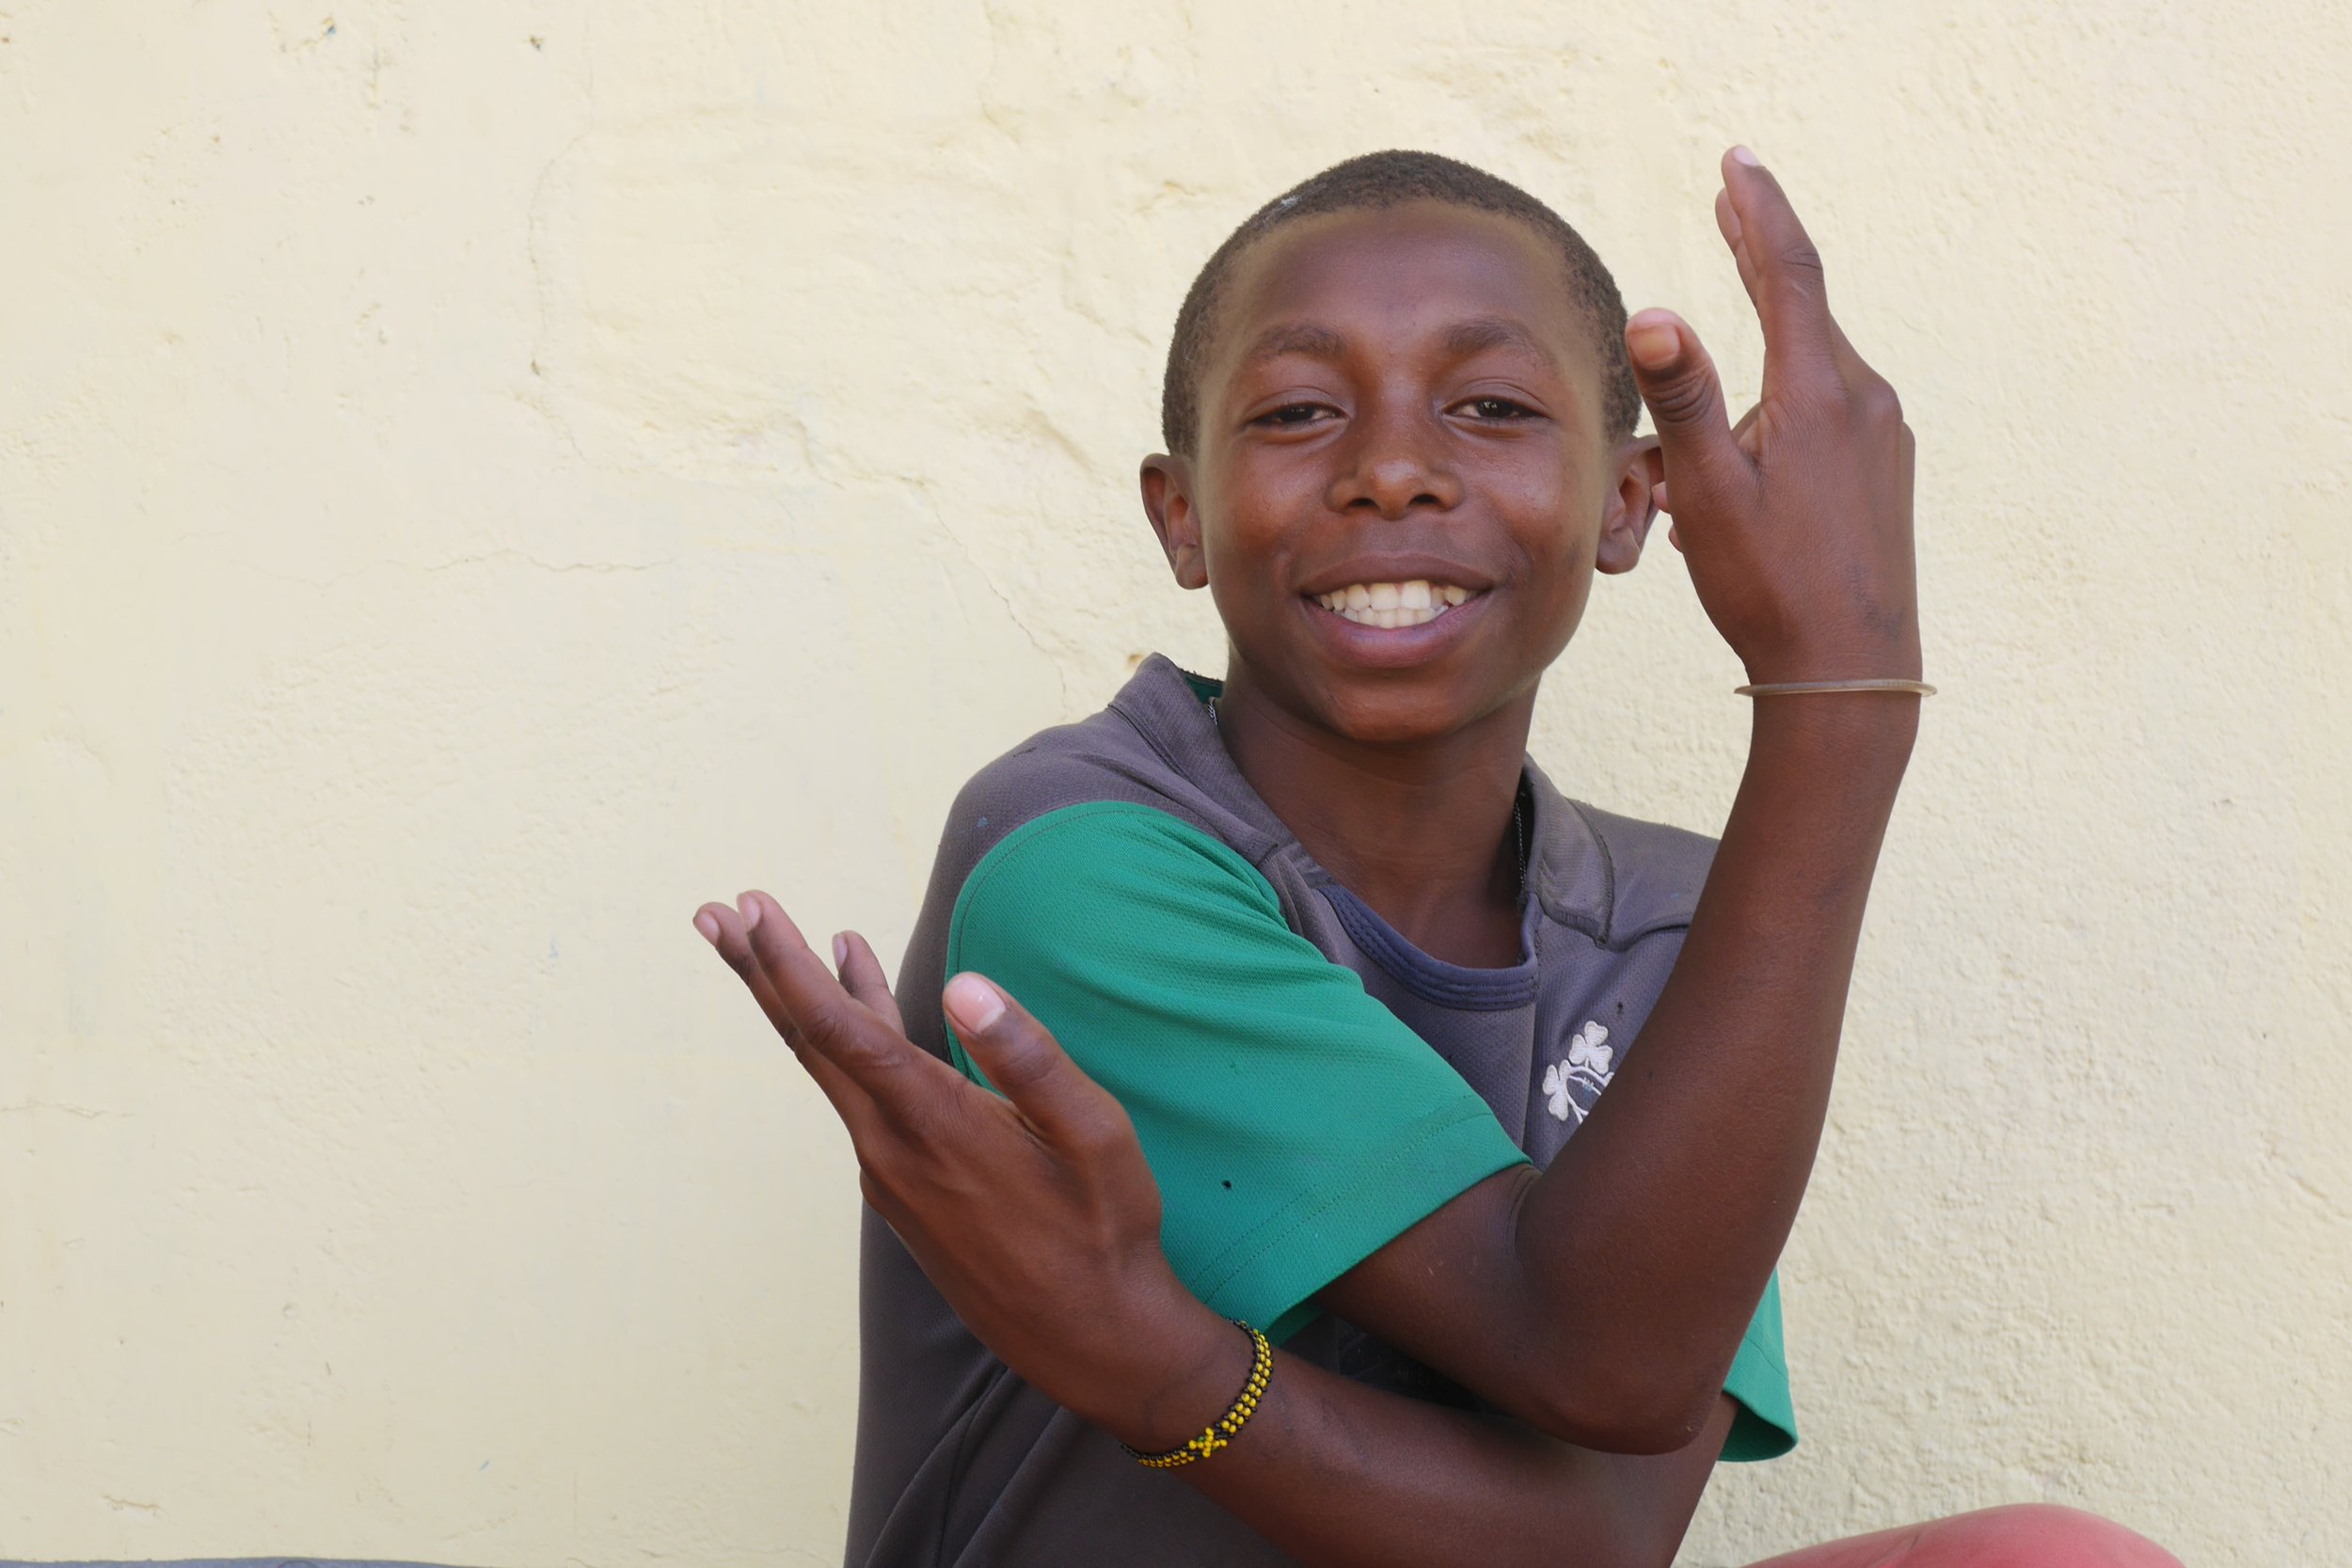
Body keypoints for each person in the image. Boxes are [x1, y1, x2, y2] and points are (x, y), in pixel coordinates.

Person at [694, 149, 2180, 1568]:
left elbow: (1602, 1530)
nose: (1392, 471)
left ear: (1628, 502)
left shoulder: (1674, 927)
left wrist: (1166, 1366)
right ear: (1181, 515)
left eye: (1486, 406)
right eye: (1292, 415)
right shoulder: (1081, 856)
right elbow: (1588, 1363)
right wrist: (1836, 705)